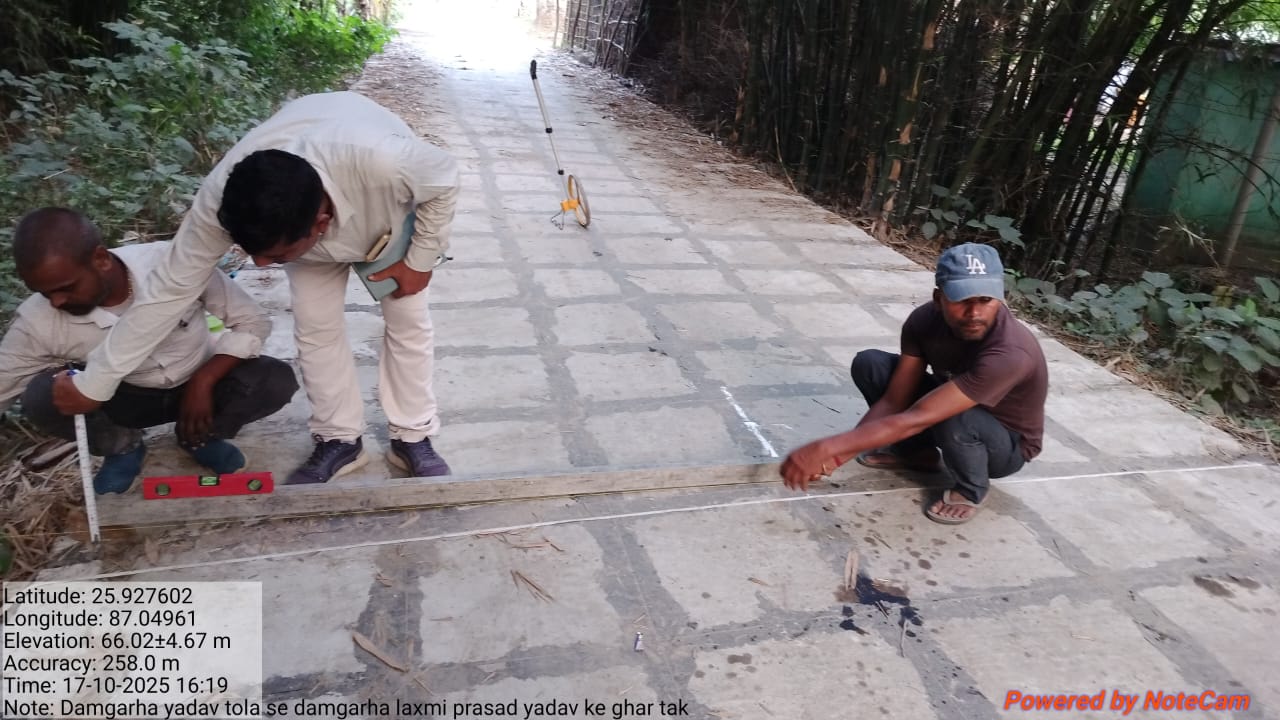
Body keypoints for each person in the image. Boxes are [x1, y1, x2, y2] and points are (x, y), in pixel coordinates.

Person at [48, 91, 460, 484]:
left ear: (319, 224)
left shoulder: (383, 160)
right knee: (315, 326)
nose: (260, 265)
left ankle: (413, 436)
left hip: (380, 215)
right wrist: (95, 383)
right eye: (252, 252)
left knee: (406, 319)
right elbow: (167, 293)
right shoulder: (223, 201)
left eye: (275, 256)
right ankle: (339, 439)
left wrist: (420, 259)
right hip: (305, 218)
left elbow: (444, 177)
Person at [0, 208, 298, 493]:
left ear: (101, 259)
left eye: (66, 287)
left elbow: (253, 321)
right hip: (125, 399)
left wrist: (204, 381)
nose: (56, 302)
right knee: (41, 397)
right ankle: (122, 446)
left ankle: (200, 436)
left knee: (274, 381)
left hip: (197, 381)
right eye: (45, 293)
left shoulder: (173, 265)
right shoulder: (37, 321)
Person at [780, 243, 1048, 524]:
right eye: (961, 300)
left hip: (1005, 446)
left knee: (953, 415)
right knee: (872, 365)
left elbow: (918, 417)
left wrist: (827, 448)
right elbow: (894, 400)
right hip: (952, 410)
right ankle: (917, 454)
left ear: (1000, 298)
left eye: (986, 300)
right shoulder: (923, 322)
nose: (974, 313)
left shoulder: (1010, 353)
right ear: (938, 298)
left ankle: (971, 489)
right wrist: (836, 457)